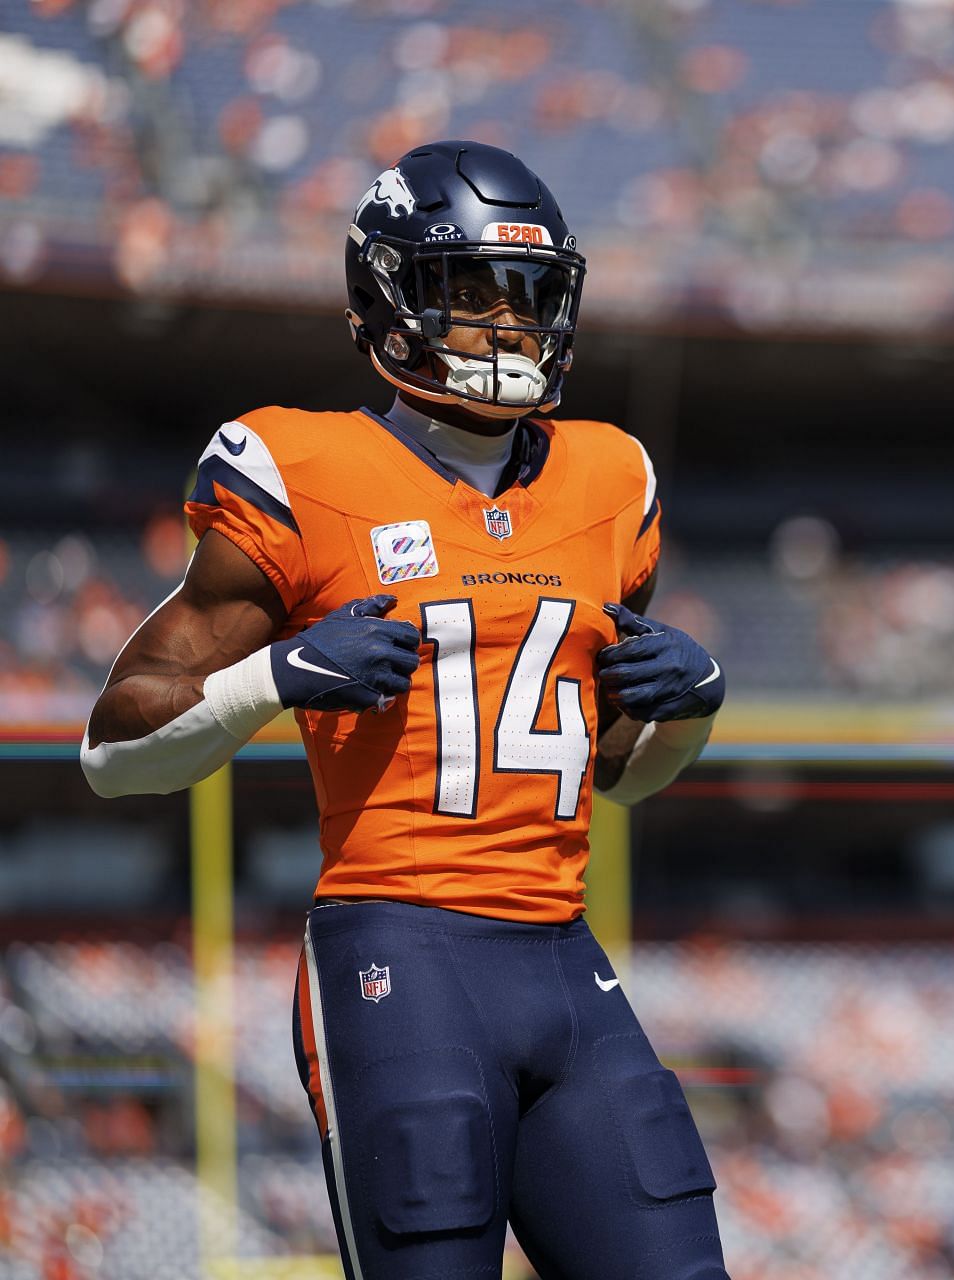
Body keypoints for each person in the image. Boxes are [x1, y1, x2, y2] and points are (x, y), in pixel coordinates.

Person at [80, 140, 730, 1280]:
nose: (506, 324)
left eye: (527, 295)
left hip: (566, 957)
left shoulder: (611, 477)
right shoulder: (299, 464)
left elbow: (620, 770)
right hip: (401, 954)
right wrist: (273, 675)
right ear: (384, 297)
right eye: (468, 293)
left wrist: (694, 710)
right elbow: (110, 750)